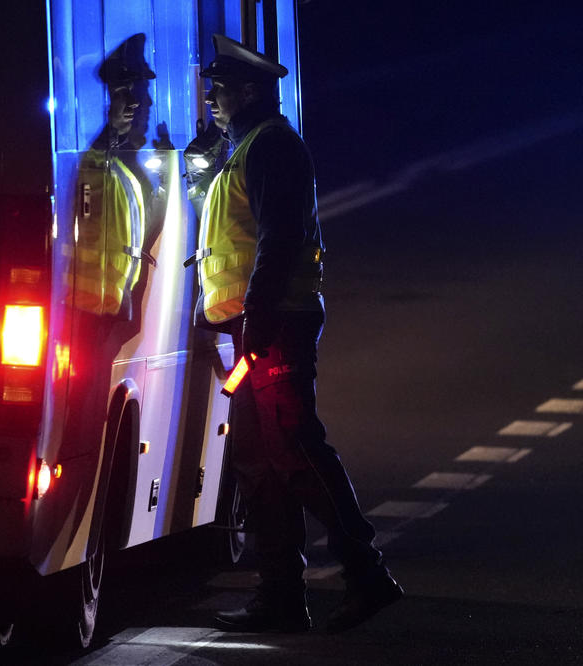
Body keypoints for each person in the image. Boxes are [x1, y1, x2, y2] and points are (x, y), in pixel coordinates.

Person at [184, 34, 403, 633]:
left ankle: (367, 574)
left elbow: (276, 238)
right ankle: (280, 597)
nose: (211, 102)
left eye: (219, 91)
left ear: (249, 90)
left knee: (297, 451)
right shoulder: (248, 145)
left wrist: (256, 316)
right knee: (259, 461)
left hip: (274, 323)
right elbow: (235, 230)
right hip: (258, 323)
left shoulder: (272, 146)